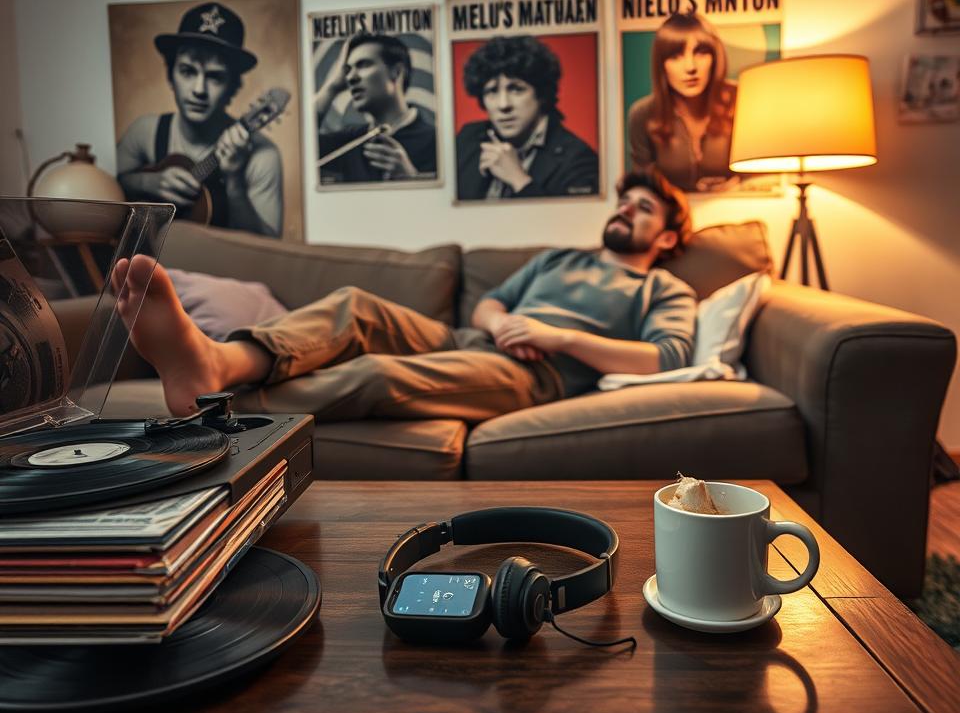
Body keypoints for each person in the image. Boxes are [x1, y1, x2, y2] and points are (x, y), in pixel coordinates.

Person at [115, 168, 696, 422]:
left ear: (668, 235)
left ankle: (218, 410)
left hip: (538, 372)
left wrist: (556, 336)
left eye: (643, 208)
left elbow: (667, 358)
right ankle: (216, 363)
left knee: (380, 374)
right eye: (624, 201)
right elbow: (488, 304)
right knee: (353, 306)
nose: (625, 210)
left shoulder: (663, 287)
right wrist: (498, 323)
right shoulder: (560, 259)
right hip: (474, 339)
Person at [116, 2, 283, 237]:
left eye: (215, 77)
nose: (199, 89)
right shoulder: (145, 131)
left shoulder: (263, 155)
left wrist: (235, 182)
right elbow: (108, 193)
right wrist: (147, 183)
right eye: (187, 71)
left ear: (232, 87)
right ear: (171, 76)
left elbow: (269, 251)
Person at [456, 35, 599, 200]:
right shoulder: (467, 139)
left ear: (542, 94)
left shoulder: (579, 160)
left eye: (516, 89)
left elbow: (568, 223)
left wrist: (520, 181)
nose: (503, 105)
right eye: (492, 91)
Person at [627, 12, 738, 193]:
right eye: (676, 56)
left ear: (715, 57)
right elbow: (644, 189)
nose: (690, 67)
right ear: (661, 64)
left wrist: (737, 186)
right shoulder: (642, 114)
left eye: (700, 53)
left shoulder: (742, 102)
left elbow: (766, 179)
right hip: (674, 217)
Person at [315, 33, 437, 183]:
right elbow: (295, 143)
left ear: (396, 72)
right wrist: (331, 87)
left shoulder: (435, 141)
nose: (350, 78)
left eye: (363, 64)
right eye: (347, 70)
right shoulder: (349, 140)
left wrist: (413, 178)